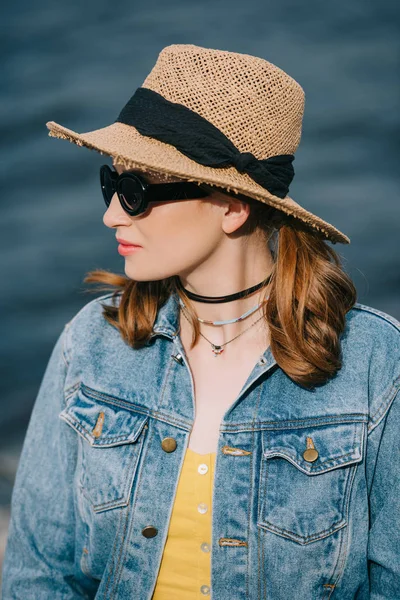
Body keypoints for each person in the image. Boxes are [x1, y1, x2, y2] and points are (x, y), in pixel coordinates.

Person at [2, 43, 399, 599]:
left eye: (136, 191)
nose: (111, 213)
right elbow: (39, 575)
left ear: (232, 206)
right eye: (110, 183)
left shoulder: (375, 364)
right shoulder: (91, 342)